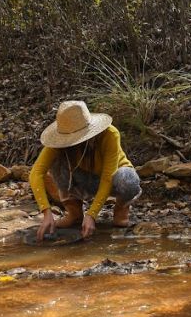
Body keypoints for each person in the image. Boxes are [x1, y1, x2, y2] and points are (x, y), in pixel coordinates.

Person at [29, 101, 141, 242]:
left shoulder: (110, 134)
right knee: (55, 162)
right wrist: (46, 212)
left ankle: (121, 209)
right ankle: (74, 213)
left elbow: (108, 177)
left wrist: (92, 214)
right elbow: (36, 173)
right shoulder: (57, 142)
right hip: (81, 180)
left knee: (127, 178)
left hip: (114, 181)